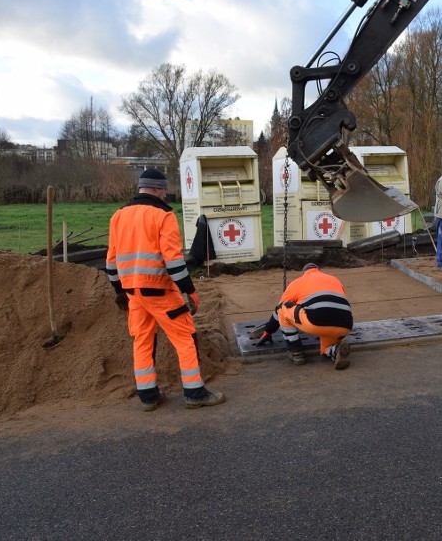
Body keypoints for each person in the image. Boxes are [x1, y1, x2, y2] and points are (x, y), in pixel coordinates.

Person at [106, 168, 225, 411]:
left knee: (142, 340)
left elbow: (110, 262)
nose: (166, 194)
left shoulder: (118, 216)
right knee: (185, 337)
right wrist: (189, 291)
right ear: (158, 189)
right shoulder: (163, 216)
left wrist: (121, 290)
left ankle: (148, 396)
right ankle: (194, 392)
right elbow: (173, 262)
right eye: (165, 190)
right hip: (160, 291)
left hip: (133, 293)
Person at [253, 263, 353, 370]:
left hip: (316, 321)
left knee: (282, 309)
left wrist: (268, 331)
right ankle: (335, 350)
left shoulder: (298, 282)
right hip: (345, 324)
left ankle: (296, 353)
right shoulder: (334, 279)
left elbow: (279, 308)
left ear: (304, 273)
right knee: (325, 348)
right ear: (319, 270)